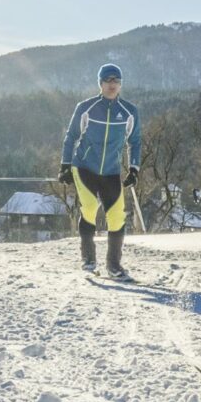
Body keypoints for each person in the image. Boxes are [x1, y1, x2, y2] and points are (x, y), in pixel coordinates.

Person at [60, 63, 142, 279]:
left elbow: (135, 142)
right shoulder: (86, 107)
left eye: (116, 80)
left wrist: (134, 169)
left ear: (120, 84)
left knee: (117, 217)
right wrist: (65, 165)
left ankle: (114, 266)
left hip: (111, 171)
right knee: (89, 207)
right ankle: (88, 259)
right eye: (108, 80)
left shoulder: (129, 112)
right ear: (101, 83)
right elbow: (71, 136)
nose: (112, 84)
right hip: (85, 167)